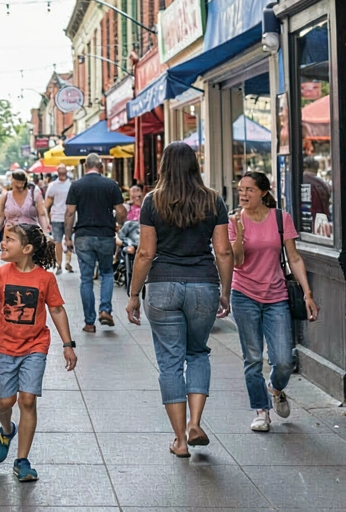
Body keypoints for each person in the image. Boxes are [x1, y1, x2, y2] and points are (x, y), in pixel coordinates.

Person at [125, 142, 232, 458]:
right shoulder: (213, 200)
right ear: (195, 166)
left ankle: (180, 441)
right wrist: (224, 291)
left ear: (164, 166)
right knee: (197, 352)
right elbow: (224, 251)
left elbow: (145, 252)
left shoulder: (152, 201)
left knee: (170, 363)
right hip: (203, 285)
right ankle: (196, 423)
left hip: (162, 287)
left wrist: (133, 295)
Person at [0, 223, 76, 482]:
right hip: (4, 347)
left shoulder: (45, 278)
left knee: (28, 400)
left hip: (35, 346)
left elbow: (56, 310)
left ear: (27, 248)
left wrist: (68, 344)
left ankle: (22, 460)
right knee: (4, 402)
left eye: (9, 239)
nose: (3, 243)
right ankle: (6, 429)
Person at [229, 172, 319, 433]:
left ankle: (276, 389)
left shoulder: (281, 218)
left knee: (283, 360)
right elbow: (236, 261)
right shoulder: (234, 221)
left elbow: (294, 258)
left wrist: (307, 293)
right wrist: (239, 236)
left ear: (263, 193)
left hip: (276, 295)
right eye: (241, 190)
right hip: (244, 294)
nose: (243, 195)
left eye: (249, 190)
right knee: (253, 357)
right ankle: (261, 410)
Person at [64, 154, 125, 332]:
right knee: (106, 273)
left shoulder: (76, 186)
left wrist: (68, 237)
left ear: (85, 166)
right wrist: (119, 224)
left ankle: (89, 323)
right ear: (101, 166)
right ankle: (105, 310)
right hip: (106, 235)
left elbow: (69, 213)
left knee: (86, 278)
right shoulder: (110, 185)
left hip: (83, 235)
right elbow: (121, 211)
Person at [0, 169, 48, 255]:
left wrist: (45, 234)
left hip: (30, 236)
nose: (20, 184)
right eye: (17, 181)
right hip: (11, 236)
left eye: (22, 181)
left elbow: (42, 214)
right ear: (12, 180)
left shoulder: (34, 194)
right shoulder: (6, 196)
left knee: (29, 262)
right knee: (13, 263)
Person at [45, 166, 73, 273]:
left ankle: (59, 264)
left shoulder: (52, 186)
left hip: (56, 216)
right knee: (68, 239)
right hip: (68, 217)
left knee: (58, 241)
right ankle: (67, 262)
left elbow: (47, 204)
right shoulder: (71, 185)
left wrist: (48, 218)